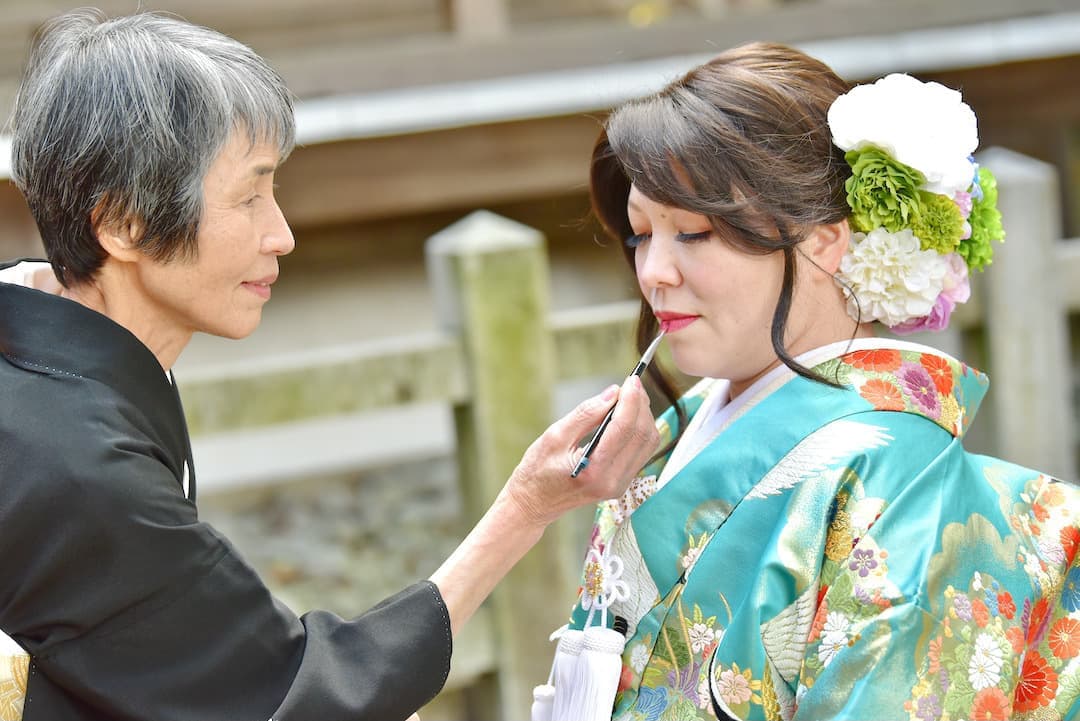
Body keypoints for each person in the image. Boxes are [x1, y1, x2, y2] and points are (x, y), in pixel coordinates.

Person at [0, 10, 661, 721]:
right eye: (249, 195)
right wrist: (526, 506)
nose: (280, 234)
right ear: (124, 223)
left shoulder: (37, 345)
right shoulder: (77, 467)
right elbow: (297, 695)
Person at [541, 42, 1080, 721]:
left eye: (695, 232)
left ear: (825, 238)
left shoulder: (897, 475)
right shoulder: (681, 425)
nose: (654, 272)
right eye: (643, 234)